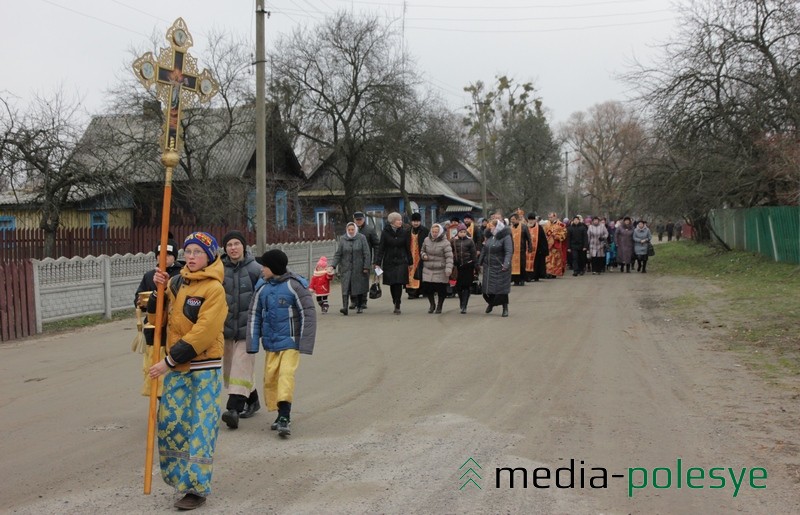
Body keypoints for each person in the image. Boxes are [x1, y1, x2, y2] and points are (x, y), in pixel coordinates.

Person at [147, 231, 226, 511]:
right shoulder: (177, 282)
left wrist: (168, 361)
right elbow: (158, 320)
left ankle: (197, 488)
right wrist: (158, 292)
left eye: (198, 253)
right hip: (178, 367)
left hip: (204, 368)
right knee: (170, 423)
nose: (191, 257)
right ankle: (181, 479)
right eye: (189, 252)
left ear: (210, 256)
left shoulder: (214, 289)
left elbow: (204, 333)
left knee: (200, 429)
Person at [247, 249, 316, 438]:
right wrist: (252, 344)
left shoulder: (295, 286)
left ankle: (285, 416)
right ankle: (279, 413)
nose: (262, 269)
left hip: (290, 343)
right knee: (271, 378)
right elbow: (254, 315)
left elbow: (308, 314)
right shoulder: (262, 288)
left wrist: (305, 343)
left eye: (265, 266)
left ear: (274, 267)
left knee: (286, 375)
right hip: (271, 344)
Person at [219, 230, 263, 430]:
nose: (233, 248)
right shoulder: (218, 269)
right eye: (229, 245)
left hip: (249, 329)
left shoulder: (255, 269)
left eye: (236, 244)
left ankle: (233, 410)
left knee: (240, 365)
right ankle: (252, 400)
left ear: (243, 246)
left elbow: (264, 296)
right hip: (226, 328)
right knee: (233, 370)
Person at [135, 239, 182, 398]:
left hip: (173, 332)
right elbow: (139, 298)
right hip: (153, 332)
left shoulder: (181, 275)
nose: (164, 257)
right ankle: (159, 404)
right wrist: (141, 302)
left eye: (168, 254)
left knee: (170, 374)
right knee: (154, 371)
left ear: (174, 256)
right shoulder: (149, 277)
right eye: (160, 254)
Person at [374, 211, 412, 314]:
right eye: (398, 220)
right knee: (392, 283)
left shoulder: (405, 232)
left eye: (401, 220)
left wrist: (410, 262)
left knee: (399, 283)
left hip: (401, 261)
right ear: (392, 222)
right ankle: (394, 300)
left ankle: (398, 304)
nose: (400, 222)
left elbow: (408, 247)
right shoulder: (385, 232)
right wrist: (378, 262)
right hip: (389, 261)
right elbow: (381, 248)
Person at [329, 222, 370, 315]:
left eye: (352, 229)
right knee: (345, 287)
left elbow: (366, 253)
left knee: (359, 287)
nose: (351, 231)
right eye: (349, 230)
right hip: (346, 268)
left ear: (355, 229)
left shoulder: (361, 238)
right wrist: (332, 266)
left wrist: (366, 266)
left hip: (359, 268)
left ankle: (359, 306)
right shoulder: (343, 239)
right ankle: (345, 307)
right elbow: (338, 254)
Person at [479, 219, 512, 317]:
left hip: (500, 267)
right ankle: (491, 303)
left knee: (501, 291)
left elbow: (508, 251)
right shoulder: (489, 237)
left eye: (492, 226)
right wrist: (479, 263)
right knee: (486, 291)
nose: (490, 228)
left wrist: (506, 264)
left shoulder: (505, 237)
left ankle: (504, 308)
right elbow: (484, 250)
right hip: (488, 267)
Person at [420, 223, 454, 314]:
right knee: (428, 288)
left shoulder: (446, 243)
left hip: (440, 269)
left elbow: (449, 257)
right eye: (433, 231)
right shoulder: (426, 240)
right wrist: (424, 255)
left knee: (441, 289)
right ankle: (432, 304)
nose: (434, 233)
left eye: (436, 232)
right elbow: (422, 250)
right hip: (428, 269)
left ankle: (439, 306)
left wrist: (448, 269)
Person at [351, 211, 379, 309]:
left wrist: (375, 260)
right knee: (352, 281)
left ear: (364, 219)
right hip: (352, 260)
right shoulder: (351, 230)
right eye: (356, 220)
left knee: (363, 280)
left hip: (365, 260)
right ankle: (353, 301)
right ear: (353, 219)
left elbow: (376, 245)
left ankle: (363, 301)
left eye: (360, 220)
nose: (358, 221)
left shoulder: (370, 230)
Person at [451, 223, 477, 314]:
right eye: (461, 232)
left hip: (468, 266)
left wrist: (475, 265)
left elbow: (473, 254)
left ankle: (464, 305)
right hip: (457, 266)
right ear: (457, 232)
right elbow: (450, 252)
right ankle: (461, 301)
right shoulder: (453, 241)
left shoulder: (470, 241)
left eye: (464, 231)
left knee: (466, 286)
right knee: (459, 286)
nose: (462, 233)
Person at [405, 212, 429, 299]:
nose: (416, 223)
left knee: (422, 273)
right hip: (410, 255)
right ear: (411, 222)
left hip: (420, 255)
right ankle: (412, 293)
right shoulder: (407, 231)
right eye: (414, 221)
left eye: (417, 221)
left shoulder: (425, 230)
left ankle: (423, 291)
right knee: (410, 274)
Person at [508, 211, 532, 286]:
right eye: (511, 220)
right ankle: (515, 280)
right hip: (512, 250)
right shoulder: (510, 228)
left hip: (521, 250)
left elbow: (529, 238)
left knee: (521, 265)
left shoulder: (524, 227)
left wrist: (530, 247)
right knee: (513, 265)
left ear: (517, 219)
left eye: (513, 219)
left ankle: (522, 279)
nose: (512, 221)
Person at [524, 213, 548, 282]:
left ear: (535, 220)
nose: (531, 221)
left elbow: (543, 239)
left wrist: (542, 249)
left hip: (537, 249)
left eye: (532, 220)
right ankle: (528, 276)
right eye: (529, 220)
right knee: (527, 263)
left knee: (536, 263)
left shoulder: (539, 228)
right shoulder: (525, 227)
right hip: (527, 249)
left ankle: (535, 276)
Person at [543, 212, 567, 278]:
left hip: (556, 245)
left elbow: (564, 234)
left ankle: (554, 273)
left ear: (555, 217)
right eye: (549, 217)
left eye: (551, 217)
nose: (550, 219)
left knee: (555, 260)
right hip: (548, 245)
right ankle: (548, 272)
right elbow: (544, 234)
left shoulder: (561, 224)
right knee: (548, 259)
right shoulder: (546, 225)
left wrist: (556, 236)